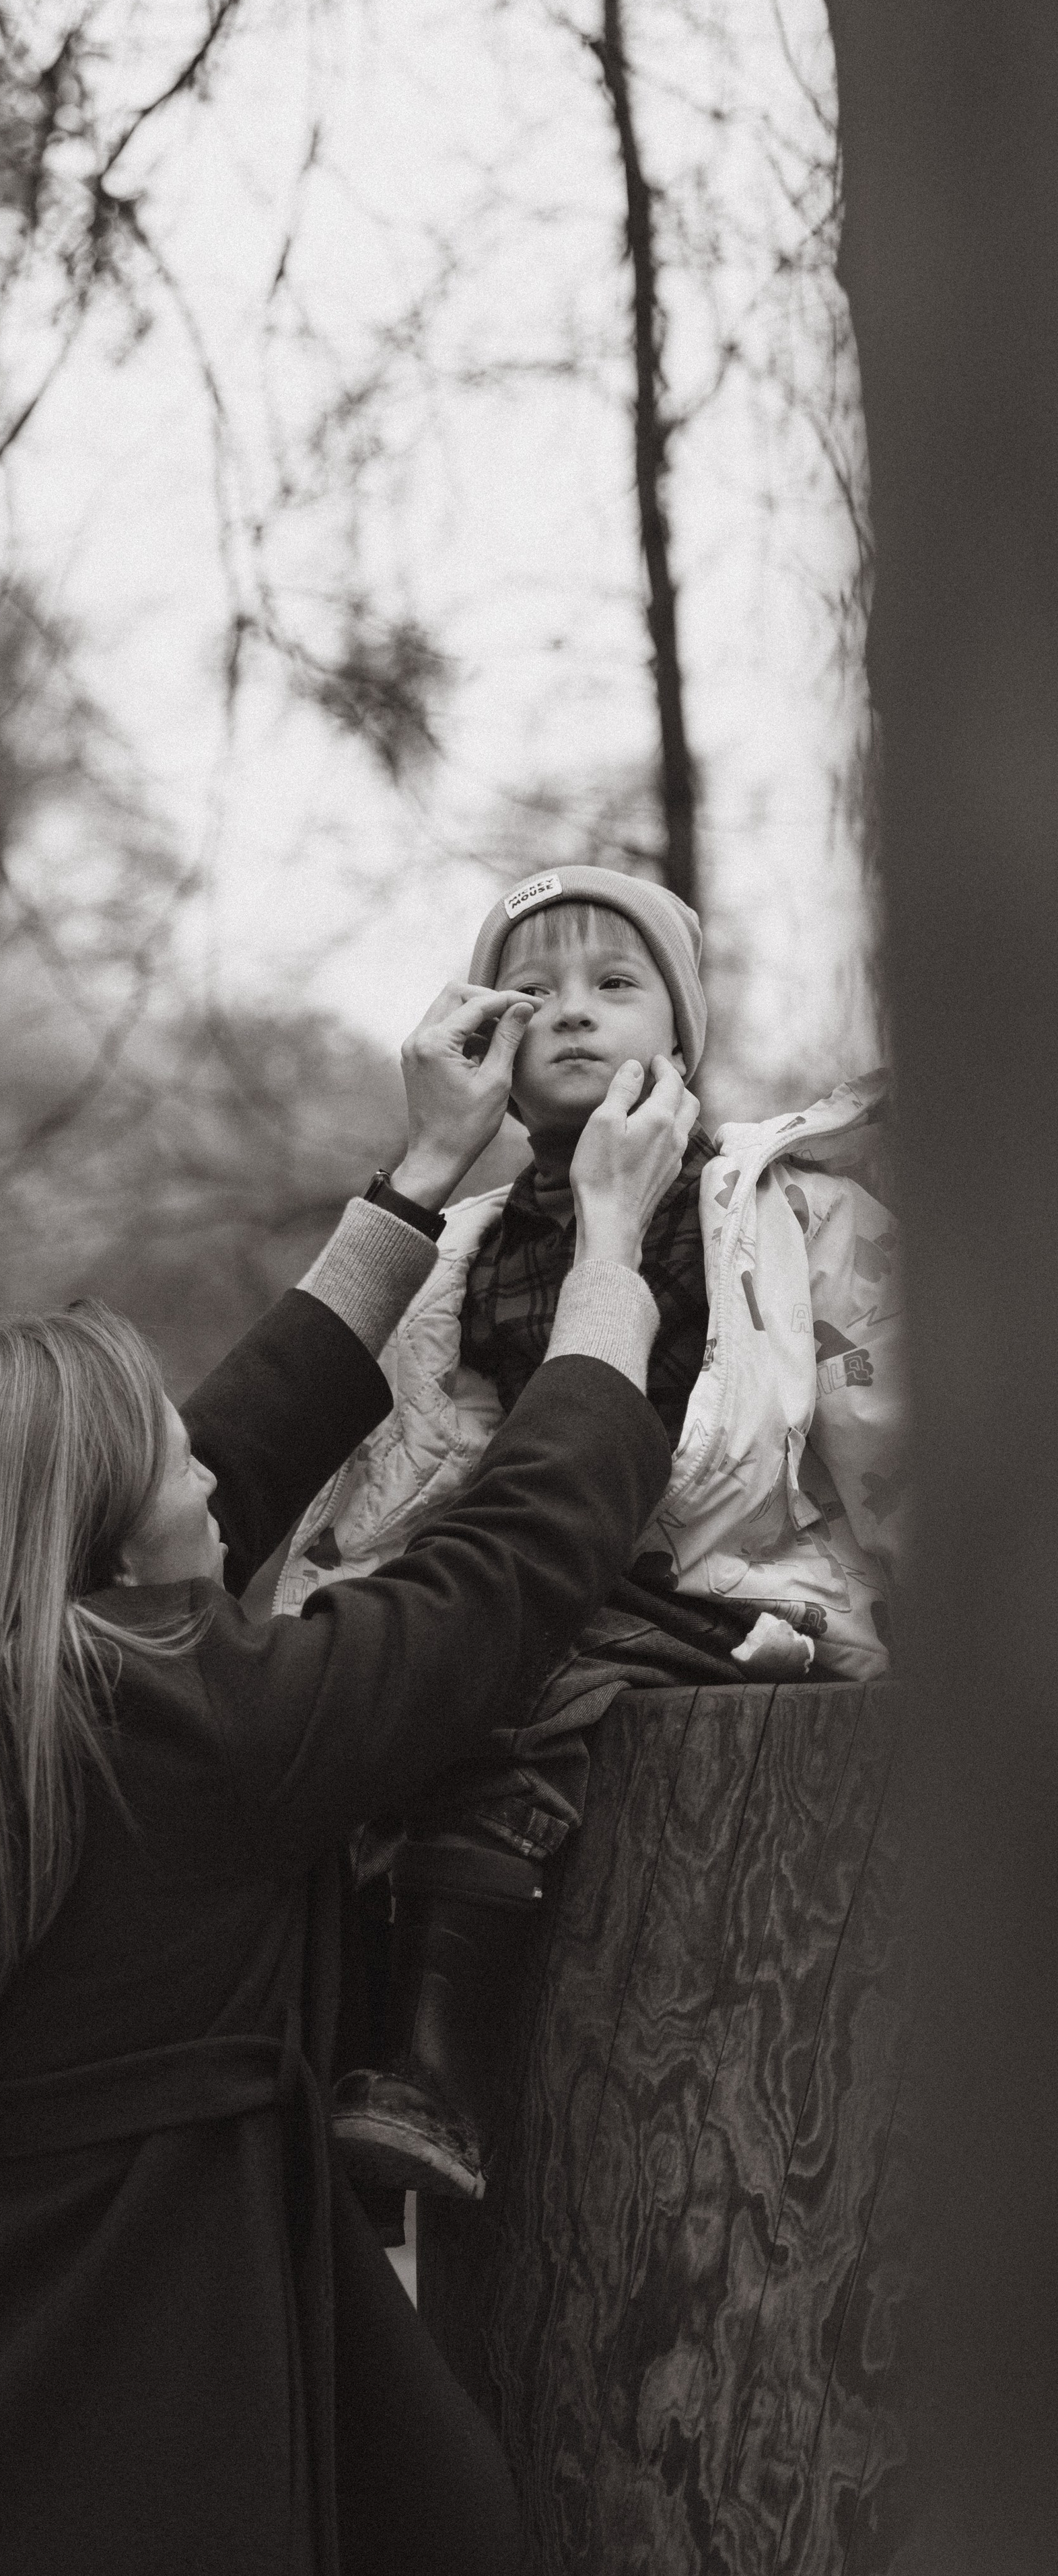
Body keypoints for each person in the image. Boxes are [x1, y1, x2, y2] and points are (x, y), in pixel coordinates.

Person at [0, 977, 696, 2576]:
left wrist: (414, 1183)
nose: (203, 1459)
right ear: (110, 1546)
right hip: (135, 2384)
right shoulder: (179, 1733)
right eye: (163, 1458)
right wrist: (606, 1270)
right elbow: (498, 1578)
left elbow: (219, 1461)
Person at [289, 868, 903, 2206]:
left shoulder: (777, 1210)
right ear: (487, 1050)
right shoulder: (466, 1249)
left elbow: (885, 1426)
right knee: (392, 1694)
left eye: (614, 984)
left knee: (514, 1692)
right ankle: (339, 2087)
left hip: (726, 1588)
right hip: (535, 1579)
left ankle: (436, 2071)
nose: (570, 1010)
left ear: (682, 1034)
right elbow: (406, 1459)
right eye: (533, 992)